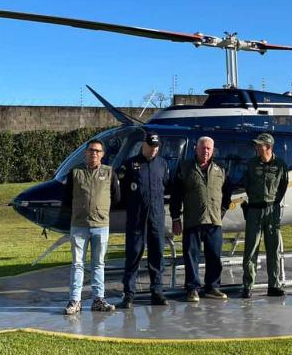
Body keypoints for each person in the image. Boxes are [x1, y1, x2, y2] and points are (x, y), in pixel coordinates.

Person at [169, 136, 231, 302]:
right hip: (193, 221)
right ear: (196, 148)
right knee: (191, 256)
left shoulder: (221, 168)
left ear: (213, 150)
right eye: (203, 148)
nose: (206, 151)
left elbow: (227, 194)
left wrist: (221, 211)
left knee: (214, 256)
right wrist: (176, 218)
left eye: (209, 149)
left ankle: (212, 287)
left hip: (214, 222)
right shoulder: (185, 167)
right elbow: (176, 196)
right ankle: (192, 289)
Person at [62, 139, 120, 314]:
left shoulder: (110, 173)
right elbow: (66, 199)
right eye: (90, 150)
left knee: (98, 264)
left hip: (101, 225)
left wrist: (102, 210)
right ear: (85, 153)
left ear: (102, 154)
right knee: (77, 264)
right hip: (79, 225)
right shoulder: (75, 173)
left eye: (97, 151)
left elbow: (117, 198)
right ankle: (75, 301)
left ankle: (98, 299)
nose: (93, 153)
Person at [117, 132, 170, 308]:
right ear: (143, 145)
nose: (153, 150)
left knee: (157, 255)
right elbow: (121, 193)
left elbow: (166, 186)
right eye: (150, 146)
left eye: (156, 147)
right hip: (137, 218)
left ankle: (157, 291)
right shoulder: (130, 164)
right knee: (133, 255)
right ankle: (129, 294)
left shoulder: (162, 164)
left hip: (156, 217)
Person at [240, 133, 289, 298]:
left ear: (268, 147)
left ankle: (273, 285)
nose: (257, 147)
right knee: (251, 249)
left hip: (272, 210)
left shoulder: (280, 165)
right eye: (257, 145)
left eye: (260, 145)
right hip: (254, 210)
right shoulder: (251, 164)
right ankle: (248, 285)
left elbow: (283, 186)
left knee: (273, 248)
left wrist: (272, 202)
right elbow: (246, 183)